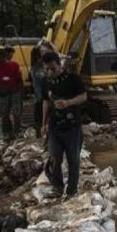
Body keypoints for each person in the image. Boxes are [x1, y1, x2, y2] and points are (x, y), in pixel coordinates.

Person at [41, 51, 87, 198]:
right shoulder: (46, 81)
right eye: (47, 69)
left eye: (52, 69)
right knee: (55, 159)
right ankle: (57, 188)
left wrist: (68, 102)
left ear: (59, 65)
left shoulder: (73, 79)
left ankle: (72, 191)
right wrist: (43, 124)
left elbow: (83, 96)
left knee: (73, 161)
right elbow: (46, 102)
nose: (50, 72)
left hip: (72, 127)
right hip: (54, 127)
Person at [0, 46, 23, 140]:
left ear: (5, 56)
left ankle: (16, 132)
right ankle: (7, 133)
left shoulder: (14, 65)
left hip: (15, 92)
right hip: (2, 93)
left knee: (16, 113)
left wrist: (21, 91)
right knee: (4, 114)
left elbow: (19, 79)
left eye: (1, 57)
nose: (0, 59)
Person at [30, 42, 50, 136]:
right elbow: (33, 50)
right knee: (39, 110)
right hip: (39, 94)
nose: (44, 53)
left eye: (45, 51)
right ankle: (39, 131)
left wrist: (49, 43)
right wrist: (40, 42)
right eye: (42, 51)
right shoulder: (35, 64)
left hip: (46, 93)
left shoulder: (48, 64)